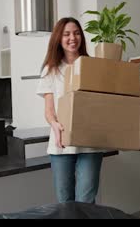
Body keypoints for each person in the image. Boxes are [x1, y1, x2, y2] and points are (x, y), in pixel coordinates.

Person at [36, 17, 104, 204]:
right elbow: (49, 110)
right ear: (59, 38)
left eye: (76, 33)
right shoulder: (51, 70)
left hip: (90, 142)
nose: (72, 38)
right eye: (66, 34)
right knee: (64, 201)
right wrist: (55, 124)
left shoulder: (92, 66)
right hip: (61, 142)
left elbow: (101, 101)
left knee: (86, 201)